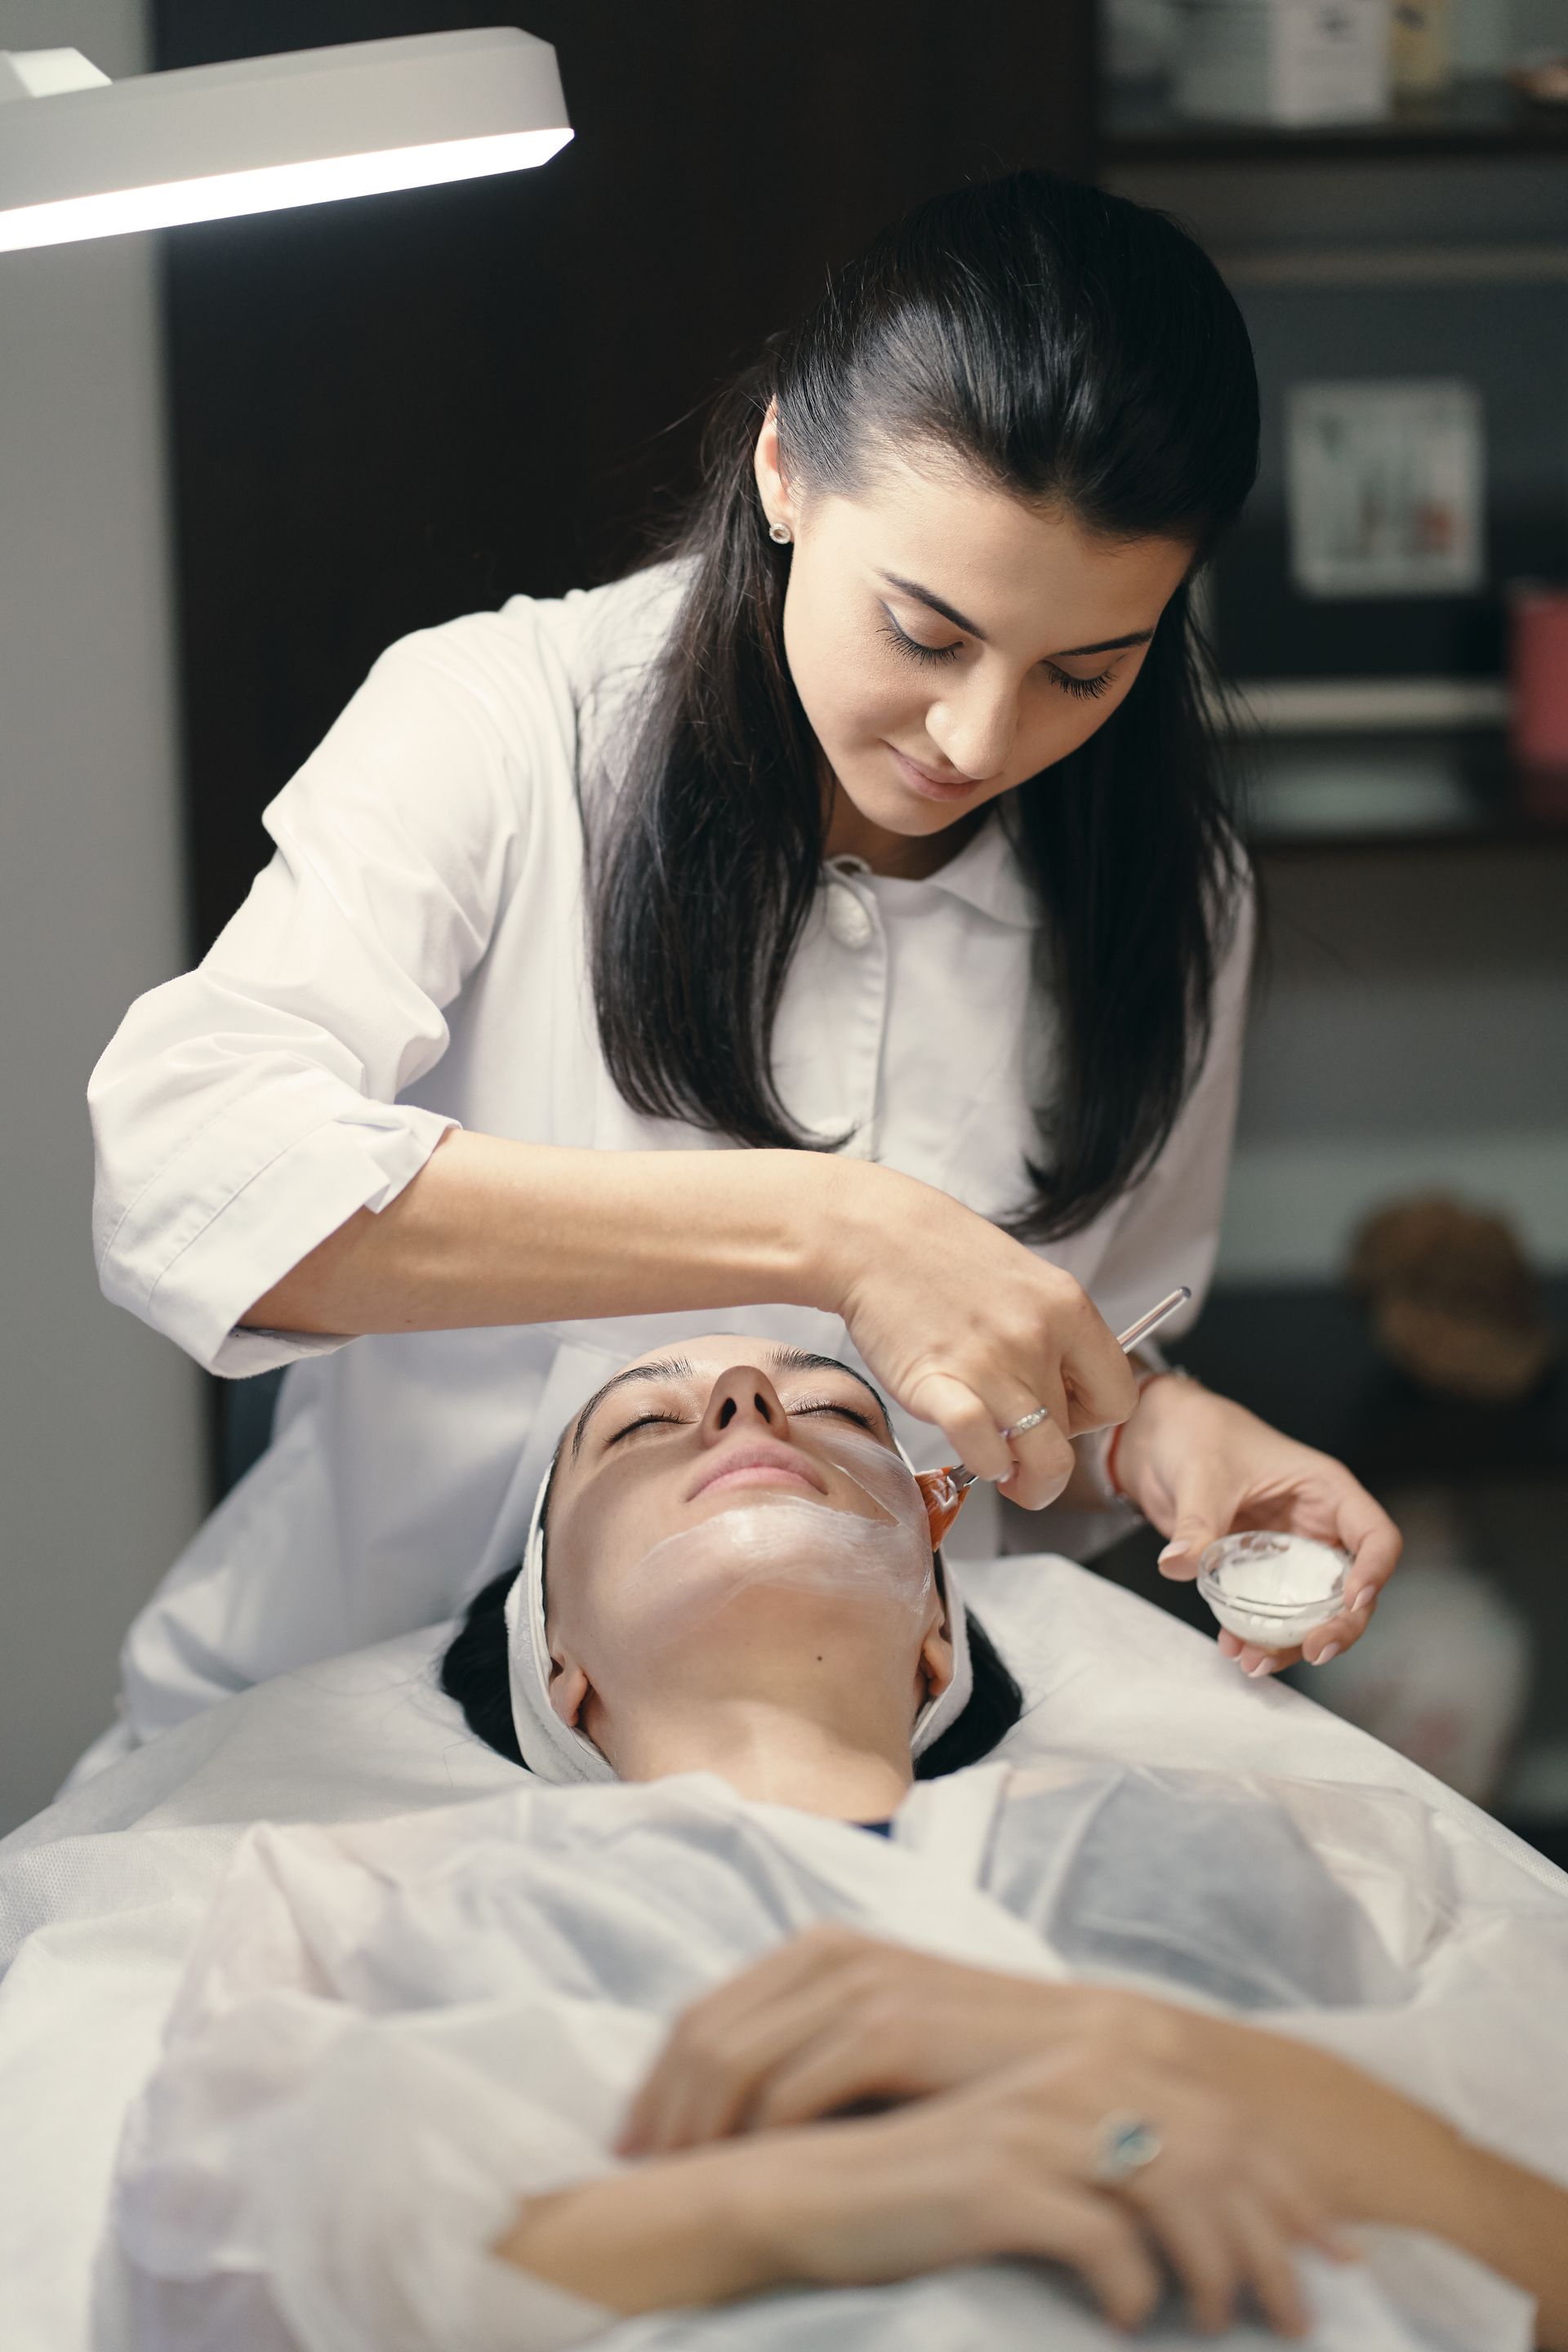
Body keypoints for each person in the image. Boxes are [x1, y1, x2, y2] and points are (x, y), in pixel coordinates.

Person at [89, 169, 1401, 1753]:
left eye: (1085, 669)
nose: (982, 738)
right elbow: (185, 1176)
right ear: (785, 467)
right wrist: (825, 1234)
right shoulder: (507, 724)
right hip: (359, 1742)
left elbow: (1048, 1360)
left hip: (844, 1760)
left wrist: (1156, 1430)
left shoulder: (1164, 888)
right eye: (925, 633)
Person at [113, 1335, 1568, 2351]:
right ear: (559, 1659)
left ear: (940, 1635)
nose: (748, 1396)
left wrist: (1170, 2070)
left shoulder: (1282, 1839)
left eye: (838, 1412)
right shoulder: (392, 1901)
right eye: (638, 1424)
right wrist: (809, 2205)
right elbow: (232, 2287)